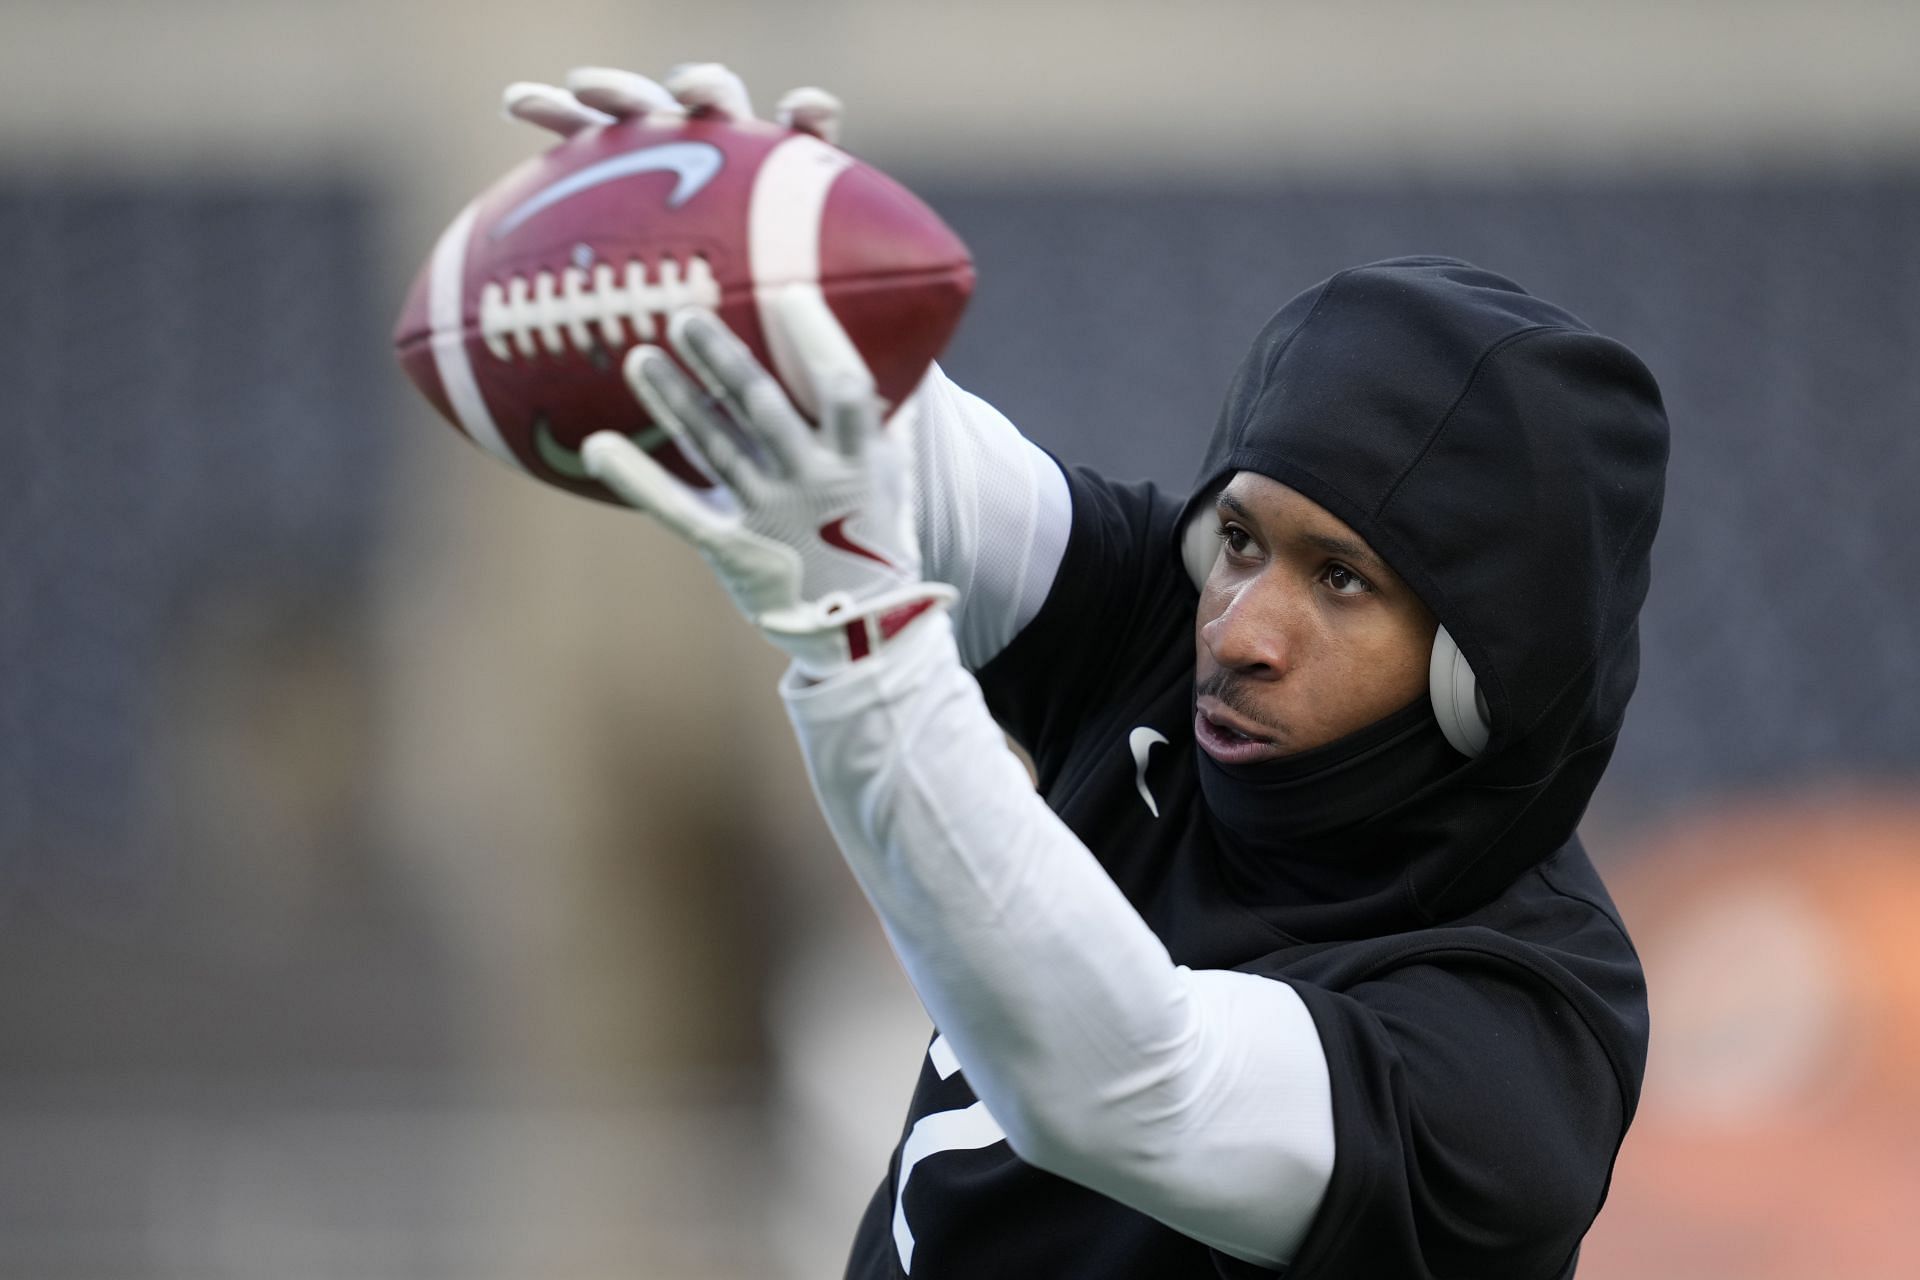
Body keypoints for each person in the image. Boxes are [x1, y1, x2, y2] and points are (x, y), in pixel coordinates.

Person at [505, 65, 1669, 1279]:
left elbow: (1116, 1081)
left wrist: (858, 638)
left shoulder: (1521, 1041)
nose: (1238, 631)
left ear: (1484, 670)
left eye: (1341, 580)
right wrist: (747, 256)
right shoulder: (1172, 639)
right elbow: (928, 473)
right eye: (1240, 539)